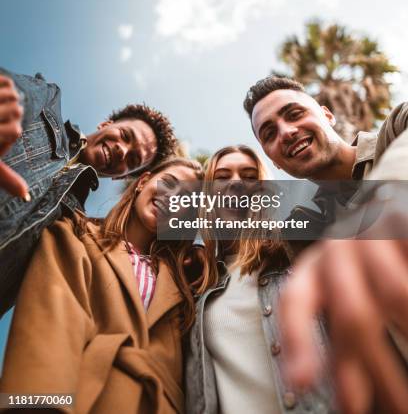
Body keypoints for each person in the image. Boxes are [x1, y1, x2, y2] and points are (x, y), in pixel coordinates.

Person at [244, 75, 408, 413]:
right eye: (269, 134)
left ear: (327, 114)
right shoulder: (302, 238)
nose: (286, 132)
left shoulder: (396, 133)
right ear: (273, 160)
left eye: (293, 113)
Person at [0, 156, 205, 414]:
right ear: (142, 182)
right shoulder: (75, 233)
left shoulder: (188, 281)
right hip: (86, 397)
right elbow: (52, 320)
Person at [0, 67, 177, 316]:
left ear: (122, 176)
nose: (122, 151)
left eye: (133, 158)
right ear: (106, 124)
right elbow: (16, 93)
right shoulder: (46, 104)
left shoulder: (75, 228)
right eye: (125, 136)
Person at [185, 145, 335, 414]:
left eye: (249, 175)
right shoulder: (197, 283)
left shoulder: (295, 254)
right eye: (222, 176)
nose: (235, 183)